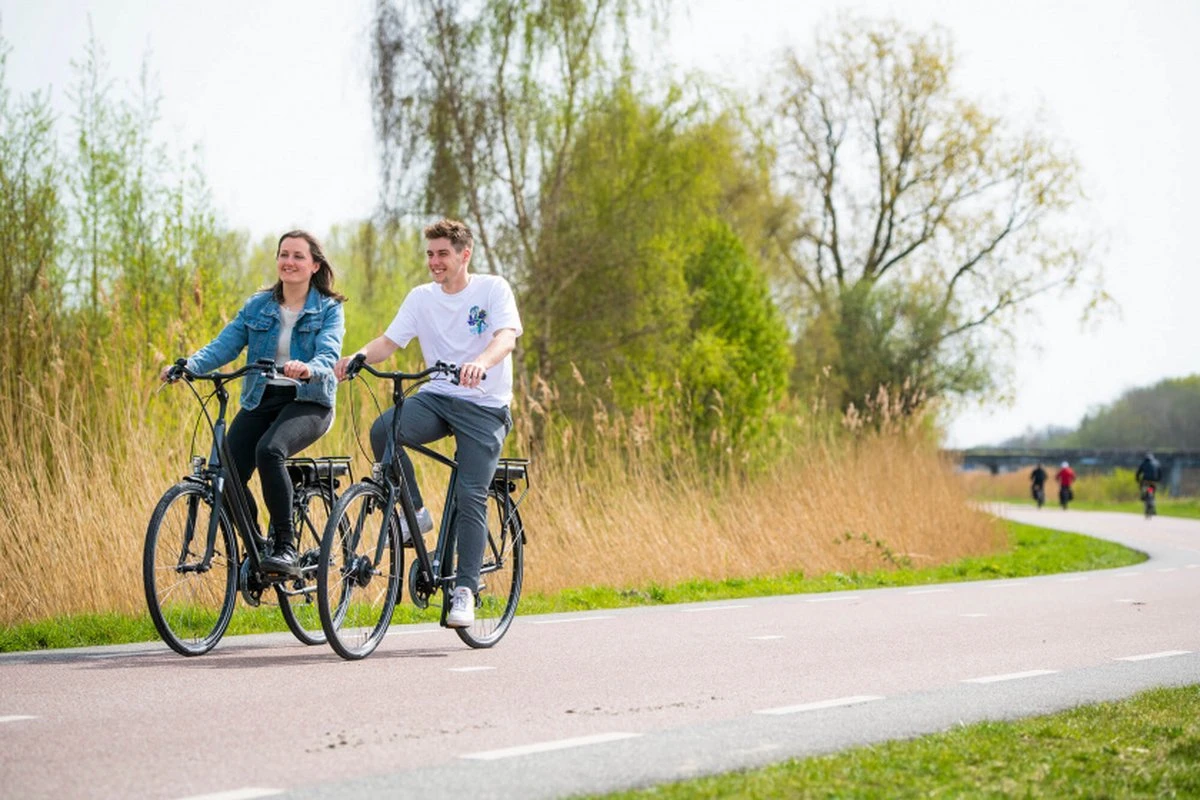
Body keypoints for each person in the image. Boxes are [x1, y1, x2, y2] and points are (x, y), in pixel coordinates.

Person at [334, 218, 521, 629]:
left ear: (464, 254)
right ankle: (415, 512)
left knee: (471, 495)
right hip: (438, 397)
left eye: (442, 254)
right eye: (430, 254)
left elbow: (505, 338)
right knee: (385, 431)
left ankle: (465, 591)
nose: (434, 262)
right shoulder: (422, 298)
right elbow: (389, 341)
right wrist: (359, 356)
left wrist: (480, 363)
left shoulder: (492, 289)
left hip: (484, 405)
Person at [162, 230, 346, 574]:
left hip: (308, 399)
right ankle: (259, 549)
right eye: (283, 255)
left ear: (315, 265)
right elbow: (224, 345)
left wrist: (307, 368)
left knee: (269, 451)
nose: (288, 262)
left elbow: (329, 354)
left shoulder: (328, 309)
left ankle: (285, 545)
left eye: (298, 256)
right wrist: (188, 365)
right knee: (223, 471)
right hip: (261, 396)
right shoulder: (258, 305)